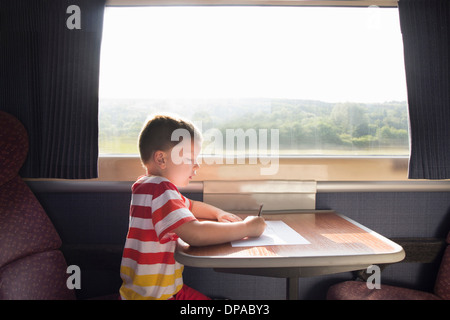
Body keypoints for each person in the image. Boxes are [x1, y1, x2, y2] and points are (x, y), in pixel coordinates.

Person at [119, 114, 266, 300]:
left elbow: (192, 205)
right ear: (161, 159)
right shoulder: (161, 190)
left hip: (157, 291)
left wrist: (219, 213)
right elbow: (195, 234)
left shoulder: (146, 186)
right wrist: (247, 228)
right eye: (189, 158)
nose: (196, 165)